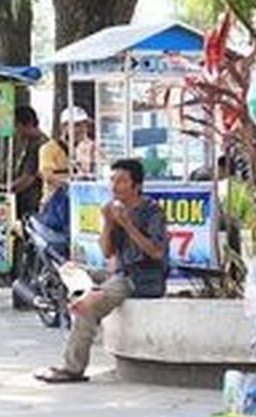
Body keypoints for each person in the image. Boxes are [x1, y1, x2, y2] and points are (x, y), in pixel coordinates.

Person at [35, 159, 169, 383]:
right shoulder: (114, 209)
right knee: (70, 268)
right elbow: (107, 252)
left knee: (87, 308)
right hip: (119, 273)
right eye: (113, 180)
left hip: (142, 278)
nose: (115, 186)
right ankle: (90, 291)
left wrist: (128, 225)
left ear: (136, 186)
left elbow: (155, 252)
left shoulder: (152, 212)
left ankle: (72, 367)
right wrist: (108, 223)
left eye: (122, 181)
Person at [38, 106, 91, 204]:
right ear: (64, 127)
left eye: (85, 125)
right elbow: (47, 176)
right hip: (54, 203)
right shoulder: (49, 149)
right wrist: (71, 183)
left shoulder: (90, 147)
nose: (82, 129)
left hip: (81, 202)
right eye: (77, 125)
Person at [11, 106, 46, 218]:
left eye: (16, 126)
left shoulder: (39, 145)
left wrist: (5, 190)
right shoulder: (31, 144)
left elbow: (28, 179)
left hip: (33, 204)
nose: (15, 131)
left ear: (29, 124)